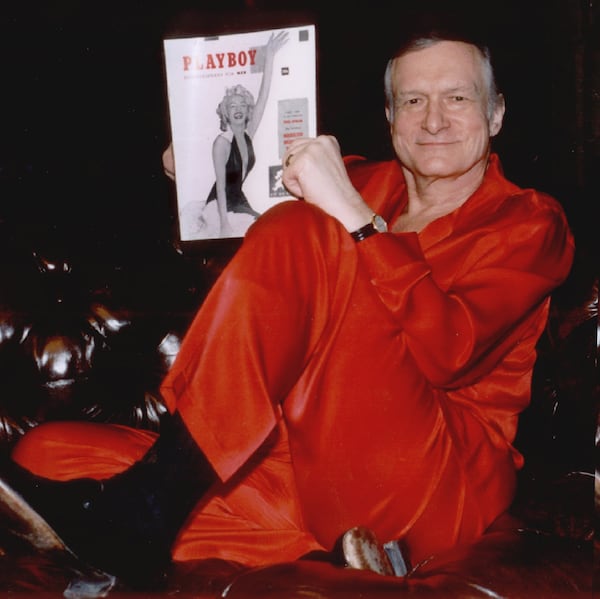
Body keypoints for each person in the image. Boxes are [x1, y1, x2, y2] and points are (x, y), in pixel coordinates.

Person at [0, 21, 574, 590]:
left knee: (311, 229)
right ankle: (329, 552)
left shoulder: (529, 220)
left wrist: (355, 220)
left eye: (457, 98)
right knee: (45, 453)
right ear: (390, 117)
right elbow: (266, 274)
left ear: (496, 114)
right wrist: (200, 172)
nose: (433, 120)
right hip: (304, 467)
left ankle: (153, 506)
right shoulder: (362, 183)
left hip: (431, 480)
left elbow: (450, 352)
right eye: (413, 100)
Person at [198, 30, 287, 238]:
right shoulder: (222, 143)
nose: (237, 108)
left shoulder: (248, 132)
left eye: (242, 104)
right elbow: (220, 187)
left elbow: (264, 94)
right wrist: (224, 224)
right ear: (226, 114)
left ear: (248, 110)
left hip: (238, 200)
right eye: (231, 106)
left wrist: (270, 56)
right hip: (219, 206)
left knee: (267, 228)